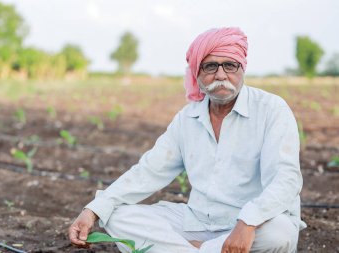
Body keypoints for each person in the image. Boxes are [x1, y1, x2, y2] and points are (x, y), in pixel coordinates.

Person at [68, 27, 306, 253]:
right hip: (197, 222)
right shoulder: (188, 118)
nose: (221, 74)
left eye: (230, 65)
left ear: (242, 68)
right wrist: (92, 210)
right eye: (210, 66)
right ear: (197, 73)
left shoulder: (271, 110)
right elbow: (148, 171)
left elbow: (286, 179)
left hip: (253, 224)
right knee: (117, 216)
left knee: (280, 233)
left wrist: (248, 221)